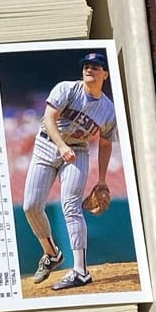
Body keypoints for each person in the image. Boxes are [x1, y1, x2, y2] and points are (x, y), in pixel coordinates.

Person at [21, 49, 117, 290]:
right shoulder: (67, 89)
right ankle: (51, 253)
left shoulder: (108, 109)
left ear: (105, 74)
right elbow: (49, 119)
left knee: (71, 206)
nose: (89, 69)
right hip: (47, 145)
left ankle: (81, 272)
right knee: (31, 206)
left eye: (95, 67)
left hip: (78, 151)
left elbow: (105, 144)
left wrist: (102, 179)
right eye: (86, 66)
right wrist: (61, 146)